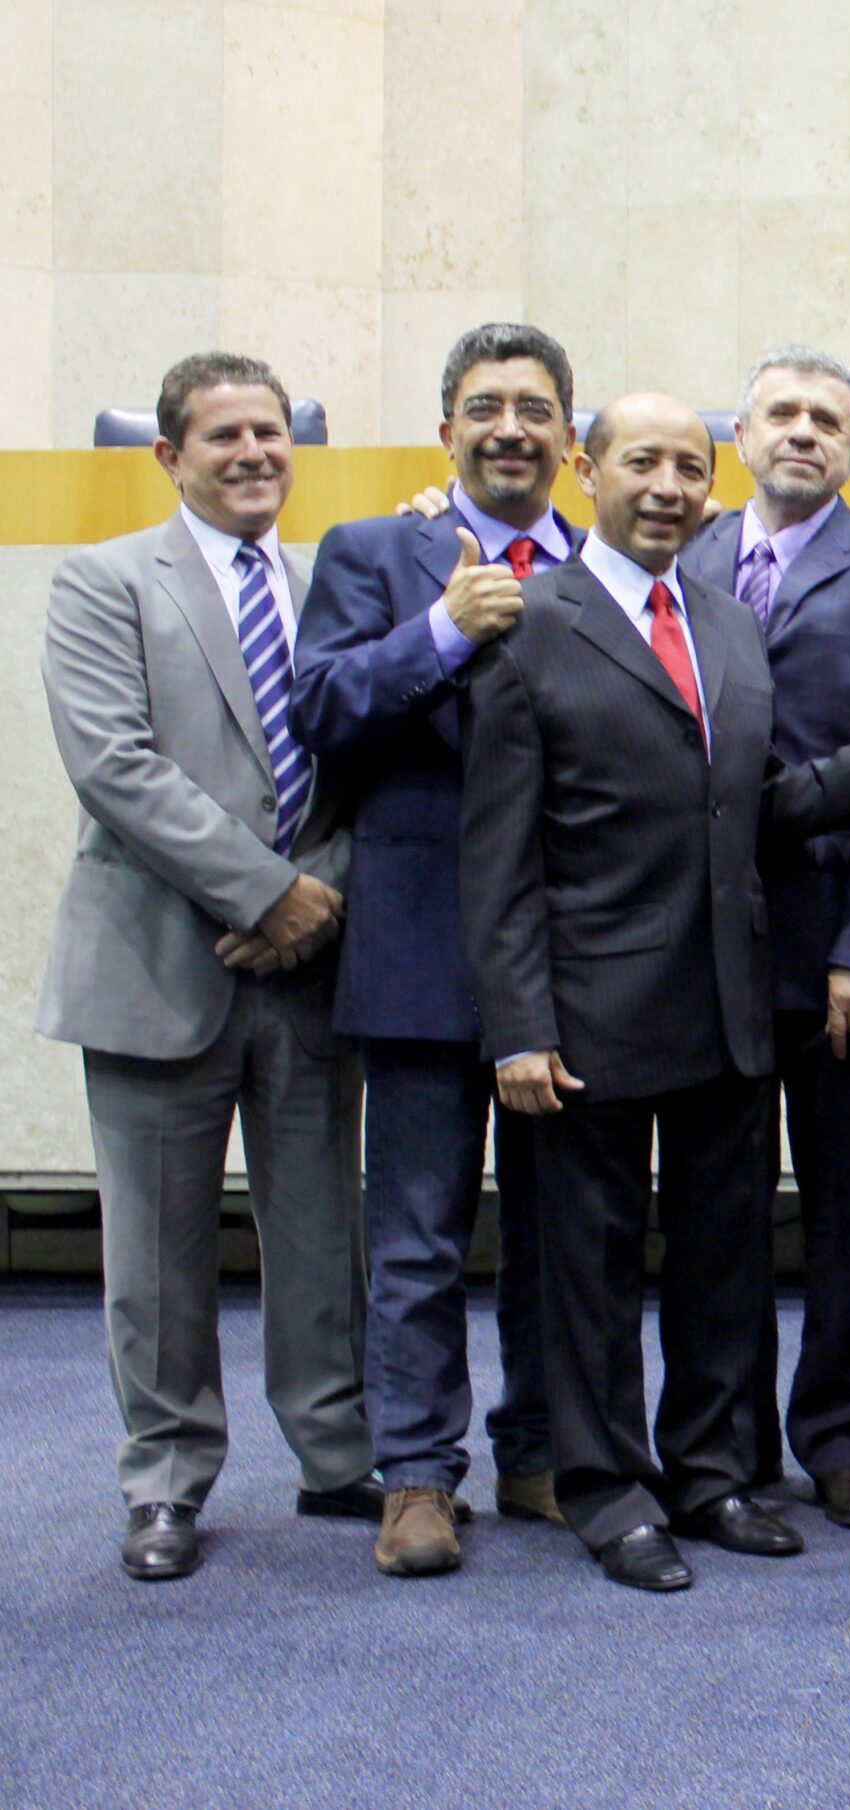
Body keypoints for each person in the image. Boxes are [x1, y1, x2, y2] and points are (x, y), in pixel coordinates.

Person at [458, 393, 850, 1592]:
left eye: (689, 464)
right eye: (645, 462)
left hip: (731, 1001)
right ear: (589, 471)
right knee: (591, 1267)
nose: (671, 486)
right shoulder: (528, 626)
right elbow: (500, 853)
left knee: (726, 1261)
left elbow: (759, 810)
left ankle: (713, 1472)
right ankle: (608, 1489)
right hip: (586, 1016)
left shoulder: (728, 624)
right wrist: (517, 1024)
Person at [37, 351, 374, 1583]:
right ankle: (167, 1481)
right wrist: (264, 889)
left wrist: (316, 898)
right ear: (170, 455)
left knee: (319, 1234)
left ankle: (338, 1458)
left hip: (307, 973)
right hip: (155, 967)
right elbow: (115, 767)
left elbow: (352, 761)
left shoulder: (323, 587)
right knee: (160, 1255)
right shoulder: (103, 583)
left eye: (270, 434)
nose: (251, 455)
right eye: (222, 435)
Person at [290, 322, 576, 1575]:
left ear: (571, 433)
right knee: (415, 1231)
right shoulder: (371, 552)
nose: (509, 426)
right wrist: (445, 630)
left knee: (563, 1231)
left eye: (533, 406)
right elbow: (323, 712)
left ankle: (543, 1450)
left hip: (571, 959)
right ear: (445, 426)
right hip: (416, 950)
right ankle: (417, 1477)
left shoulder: (612, 561)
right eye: (484, 406)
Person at [675, 348, 850, 1530]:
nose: (802, 431)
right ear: (738, 433)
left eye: (827, 419)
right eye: (781, 412)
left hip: (834, 947)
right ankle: (726, 1448)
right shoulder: (673, 559)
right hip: (693, 954)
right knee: (718, 1214)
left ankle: (845, 1437)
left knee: (848, 1208)